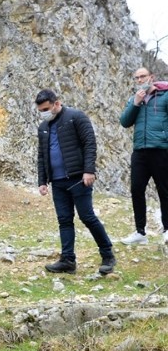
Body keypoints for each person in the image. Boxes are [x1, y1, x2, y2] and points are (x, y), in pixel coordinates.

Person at [35, 89, 115, 274]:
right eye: (40, 110)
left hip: (79, 178)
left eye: (46, 108)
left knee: (87, 217)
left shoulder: (76, 116)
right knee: (64, 220)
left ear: (57, 103)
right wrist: (42, 181)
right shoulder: (43, 127)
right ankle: (68, 260)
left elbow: (89, 143)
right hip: (57, 181)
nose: (44, 113)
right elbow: (41, 155)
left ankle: (108, 255)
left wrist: (89, 170)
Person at [118, 66, 168, 245]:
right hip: (140, 151)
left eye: (143, 76)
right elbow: (124, 122)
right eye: (137, 78)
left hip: (161, 149)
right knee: (136, 189)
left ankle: (167, 230)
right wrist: (136, 103)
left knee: (164, 190)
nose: (140, 80)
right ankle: (140, 233)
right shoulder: (134, 99)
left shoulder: (165, 96)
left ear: (151, 77)